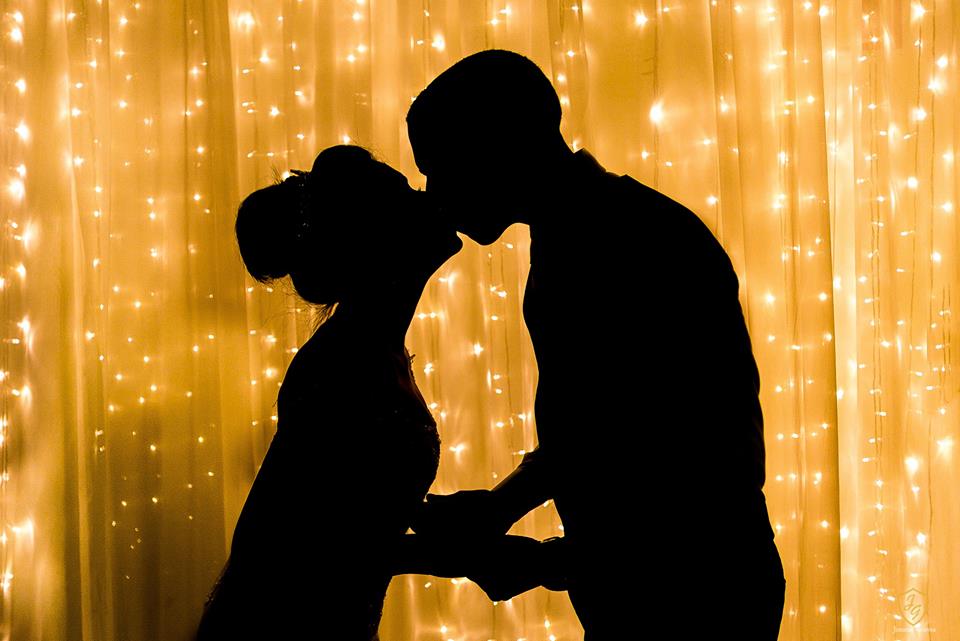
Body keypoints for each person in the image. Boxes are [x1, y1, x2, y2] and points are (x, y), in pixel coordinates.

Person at [407, 49, 786, 639]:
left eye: (441, 166)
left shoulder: (628, 240)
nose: (435, 193)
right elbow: (602, 427)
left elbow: (680, 453)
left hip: (694, 594)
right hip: (662, 581)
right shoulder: (589, 231)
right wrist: (503, 512)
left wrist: (538, 552)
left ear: (497, 145)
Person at [194, 145, 559, 641]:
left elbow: (346, 506)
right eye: (404, 195)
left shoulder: (368, 349)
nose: (427, 195)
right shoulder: (345, 363)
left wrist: (440, 521)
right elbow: (305, 548)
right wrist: (483, 556)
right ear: (374, 241)